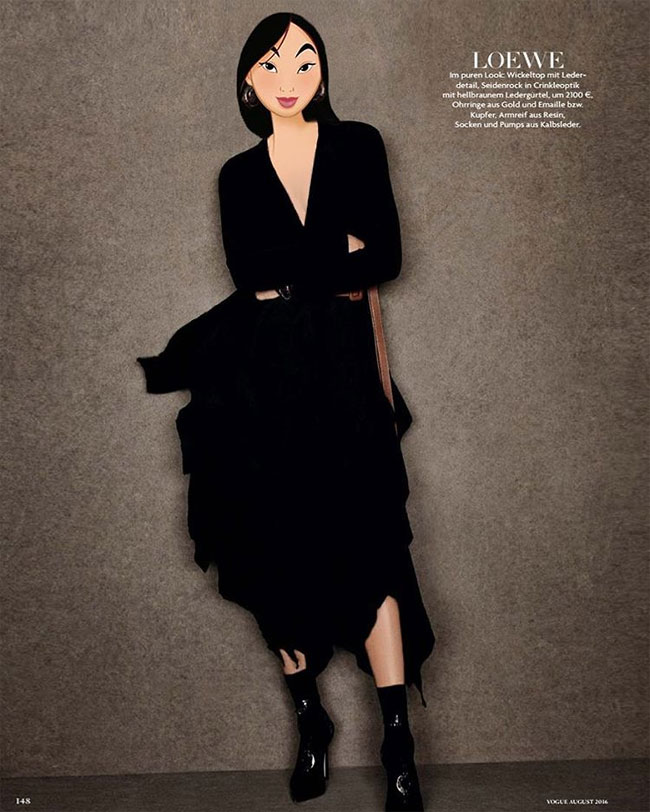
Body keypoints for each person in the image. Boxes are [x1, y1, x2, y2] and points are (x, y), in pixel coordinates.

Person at [137, 11, 435, 811]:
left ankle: (398, 745)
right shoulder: (237, 175)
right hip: (262, 376)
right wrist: (333, 253)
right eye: (271, 64)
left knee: (373, 545)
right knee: (271, 546)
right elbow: (248, 273)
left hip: (342, 371)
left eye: (305, 59)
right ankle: (311, 723)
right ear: (248, 82)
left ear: (324, 72)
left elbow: (386, 256)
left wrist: (298, 272)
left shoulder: (358, 145)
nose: (290, 76)